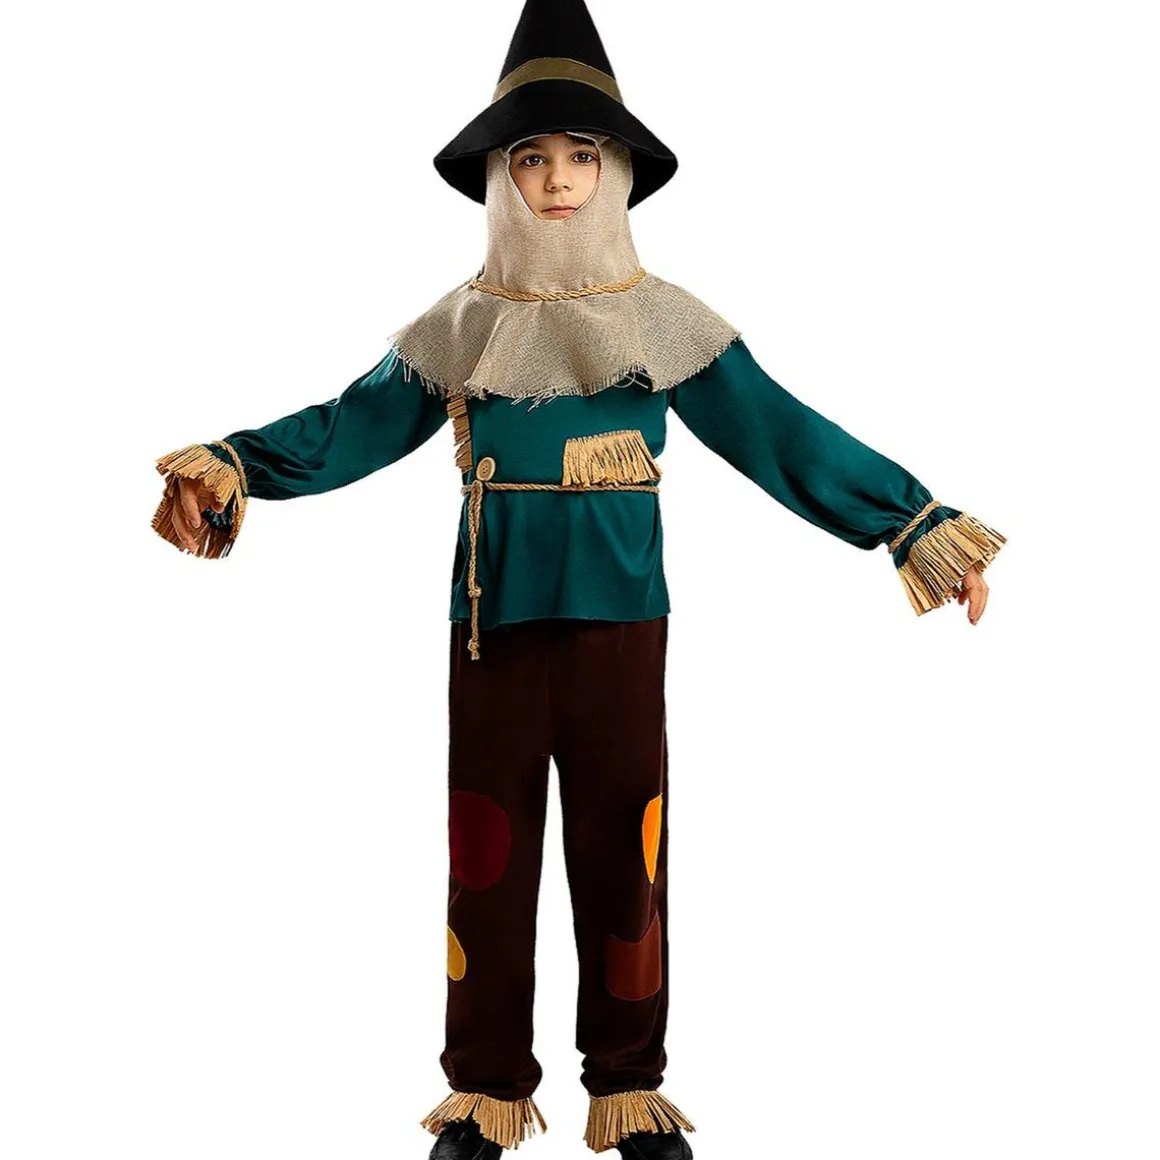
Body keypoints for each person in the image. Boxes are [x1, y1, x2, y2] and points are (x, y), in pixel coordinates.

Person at [150, 3, 1006, 1158]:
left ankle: (628, 1086)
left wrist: (911, 520)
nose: (556, 178)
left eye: (581, 155)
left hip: (619, 626)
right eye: (530, 157)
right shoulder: (459, 326)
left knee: (625, 854)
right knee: (484, 855)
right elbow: (350, 426)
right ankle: (483, 1092)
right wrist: (236, 462)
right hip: (490, 625)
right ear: (499, 178)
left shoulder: (666, 322)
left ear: (615, 175)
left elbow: (780, 434)